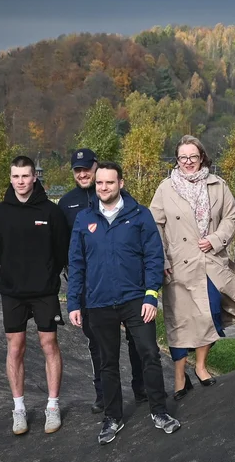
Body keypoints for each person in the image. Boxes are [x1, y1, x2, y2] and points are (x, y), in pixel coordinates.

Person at [67, 162, 180, 444]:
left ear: (121, 183)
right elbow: (77, 263)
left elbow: (154, 257)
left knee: (149, 354)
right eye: (100, 183)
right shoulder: (84, 219)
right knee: (107, 363)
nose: (104, 187)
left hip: (135, 300)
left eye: (110, 182)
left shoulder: (140, 215)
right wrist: (73, 303)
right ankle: (112, 417)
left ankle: (159, 411)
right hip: (99, 303)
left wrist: (151, 294)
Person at [150, 136, 235, 399]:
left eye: (193, 156)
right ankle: (181, 376)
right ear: (177, 160)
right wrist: (162, 260)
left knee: (211, 311)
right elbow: (154, 224)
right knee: (180, 322)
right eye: (183, 158)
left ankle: (201, 365)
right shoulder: (165, 188)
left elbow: (231, 215)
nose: (188, 162)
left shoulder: (217, 184)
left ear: (202, 157)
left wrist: (215, 239)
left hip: (211, 260)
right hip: (178, 265)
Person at [58, 147, 146, 414]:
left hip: (125, 283)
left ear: (96, 168)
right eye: (78, 170)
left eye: (87, 168)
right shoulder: (66, 204)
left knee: (135, 338)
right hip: (88, 285)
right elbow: (64, 246)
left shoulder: (120, 197)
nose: (83, 173)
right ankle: (102, 394)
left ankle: (141, 388)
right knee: (97, 341)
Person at [0, 156, 69, 435]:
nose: (21, 181)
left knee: (49, 345)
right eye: (16, 177)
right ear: (10, 178)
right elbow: (0, 249)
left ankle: (52, 406)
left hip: (44, 291)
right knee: (16, 348)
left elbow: (61, 250)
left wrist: (48, 275)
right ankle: (19, 409)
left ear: (35, 176)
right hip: (12, 291)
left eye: (25, 176)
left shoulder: (51, 212)